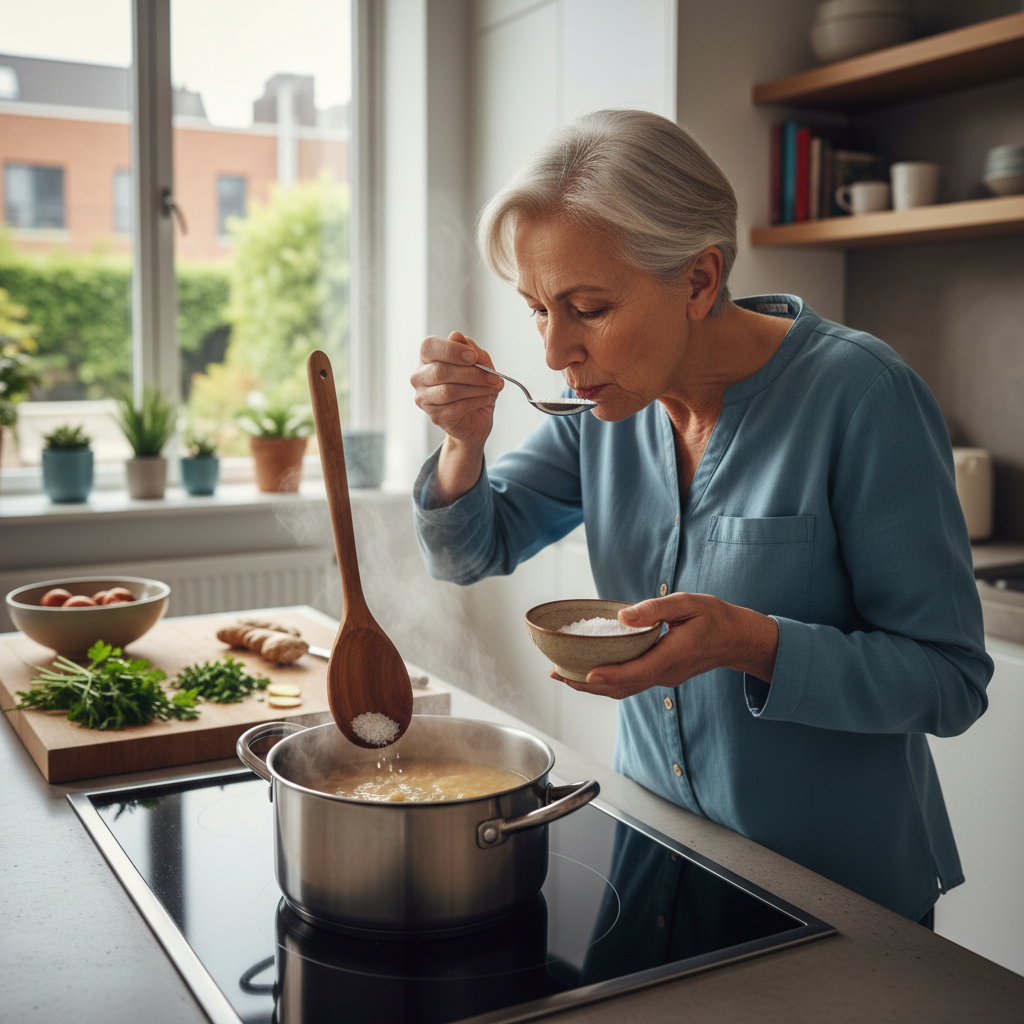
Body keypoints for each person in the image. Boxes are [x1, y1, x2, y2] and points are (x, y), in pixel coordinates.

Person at [409, 109, 992, 924]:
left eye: (588, 307)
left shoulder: (863, 396)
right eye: (539, 307)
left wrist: (750, 642)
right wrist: (461, 445)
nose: (553, 352)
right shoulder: (605, 408)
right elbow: (469, 552)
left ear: (699, 280)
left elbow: (951, 681)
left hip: (839, 896)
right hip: (657, 859)